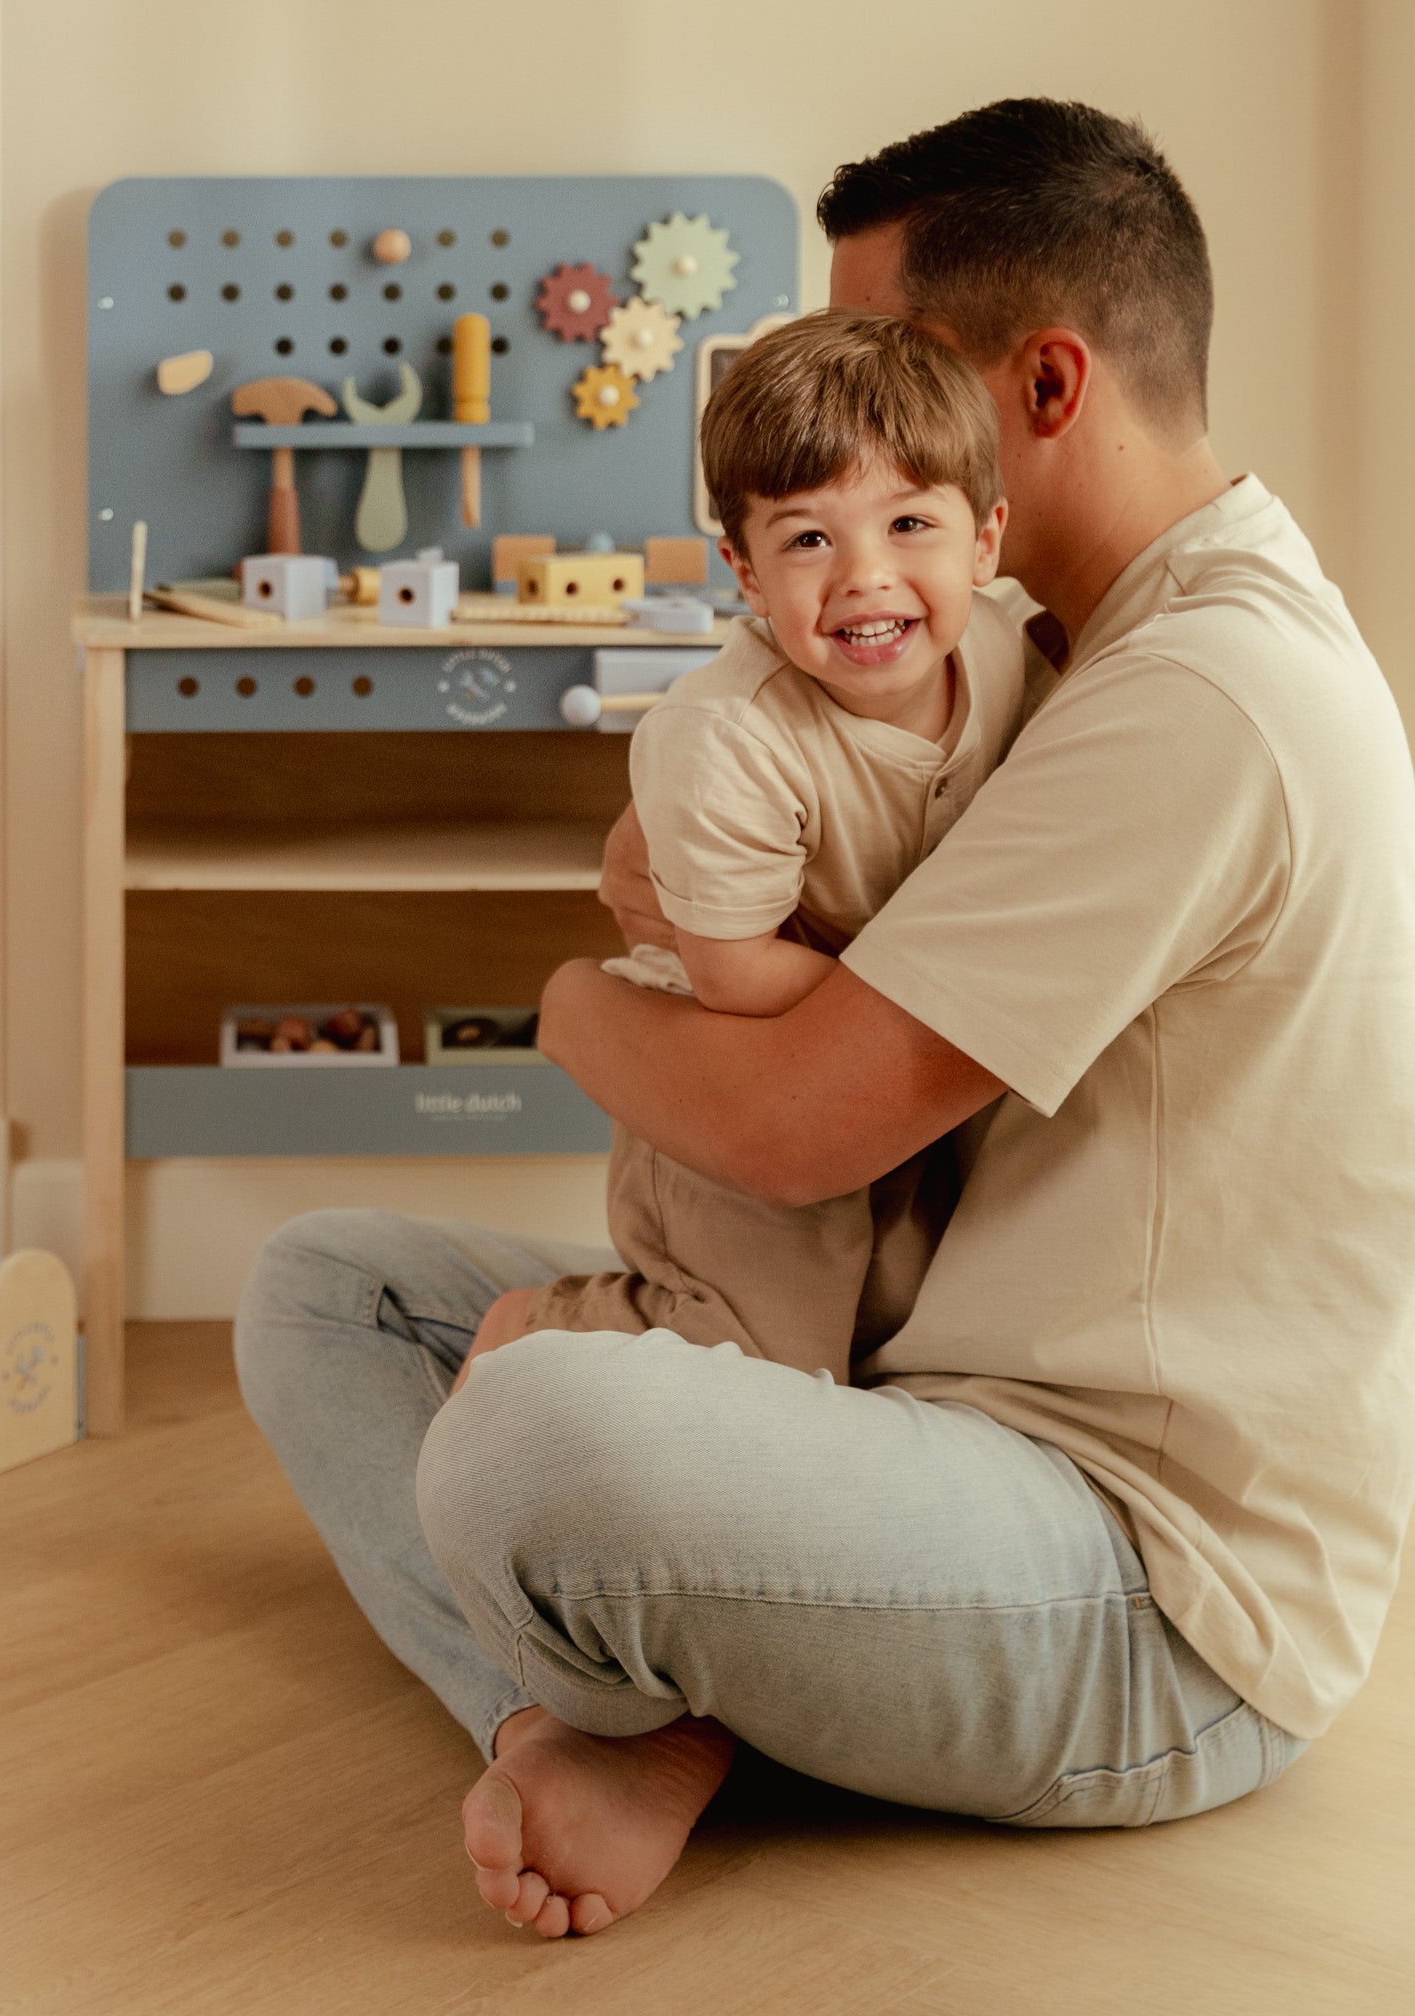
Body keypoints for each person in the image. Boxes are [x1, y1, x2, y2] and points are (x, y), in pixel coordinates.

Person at [234, 99, 1415, 1944]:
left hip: (1140, 1588)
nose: (842, 422)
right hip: (901, 1383)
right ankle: (596, 1721)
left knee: (533, 1439)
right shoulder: (1039, 646)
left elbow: (791, 1124)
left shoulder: (1205, 693)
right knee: (326, 1290)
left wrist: (555, 1001)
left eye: (893, 376)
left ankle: (629, 1707)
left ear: (1037, 389)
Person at [489, 309, 1051, 1376]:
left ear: (982, 538)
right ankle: (541, 1327)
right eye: (805, 539)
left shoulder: (1013, 647)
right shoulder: (726, 736)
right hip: (725, 1042)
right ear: (744, 573)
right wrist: (912, 1006)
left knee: (882, 1308)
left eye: (908, 526)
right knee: (753, 1350)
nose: (863, 577)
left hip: (851, 1028)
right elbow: (732, 970)